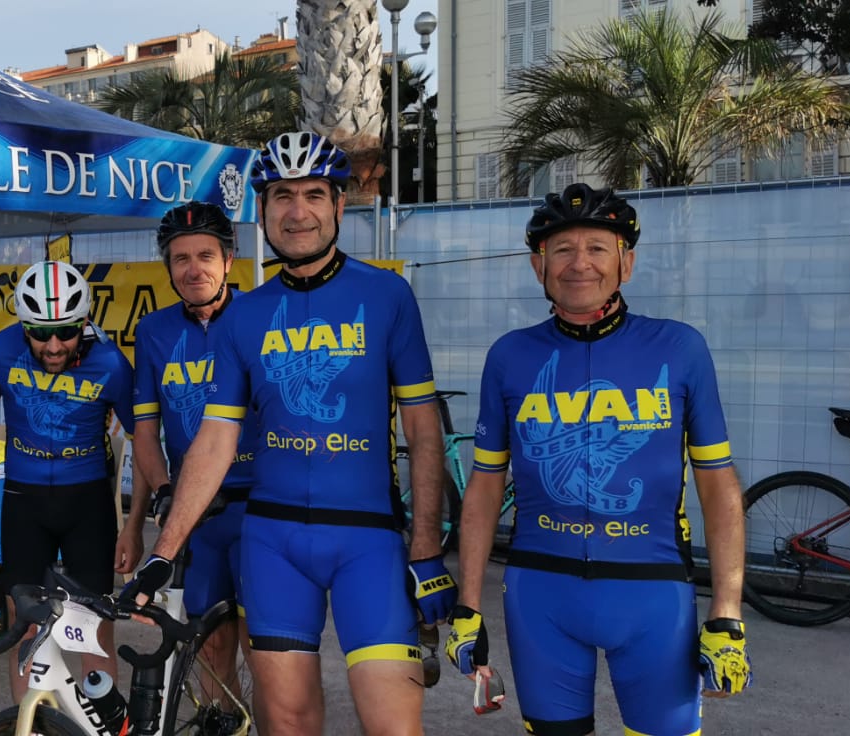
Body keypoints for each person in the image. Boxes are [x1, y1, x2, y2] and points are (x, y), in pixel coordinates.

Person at [121, 132, 455, 736]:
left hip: (368, 539)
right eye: (282, 196)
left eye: (313, 195)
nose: (297, 212)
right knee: (288, 725)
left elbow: (423, 429)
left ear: (339, 205)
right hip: (272, 540)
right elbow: (215, 441)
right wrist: (163, 552)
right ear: (263, 207)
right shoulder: (245, 316)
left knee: (394, 726)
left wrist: (427, 546)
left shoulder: (387, 295)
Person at [445, 183, 751, 736]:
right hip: (542, 593)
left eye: (597, 248)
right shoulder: (510, 356)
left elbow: (718, 484)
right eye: (562, 249)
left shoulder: (680, 348)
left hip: (653, 591)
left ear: (625, 263)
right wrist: (468, 606)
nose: (579, 263)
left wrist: (727, 613)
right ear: (538, 265)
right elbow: (486, 484)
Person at [0, 260, 143, 700]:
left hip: (87, 503)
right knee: (24, 624)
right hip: (24, 500)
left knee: (93, 630)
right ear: (23, 326)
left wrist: (135, 524)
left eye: (65, 332)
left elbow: (144, 442)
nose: (54, 345)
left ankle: (101, 725)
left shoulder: (111, 362)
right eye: (40, 334)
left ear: (83, 322)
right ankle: (31, 724)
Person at [130, 201, 258, 730]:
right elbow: (144, 430)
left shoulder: (259, 315)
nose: (193, 269)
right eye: (180, 258)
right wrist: (164, 488)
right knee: (209, 644)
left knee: (266, 647)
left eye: (205, 256)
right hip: (198, 515)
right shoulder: (153, 332)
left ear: (228, 260)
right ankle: (222, 724)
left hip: (260, 506)